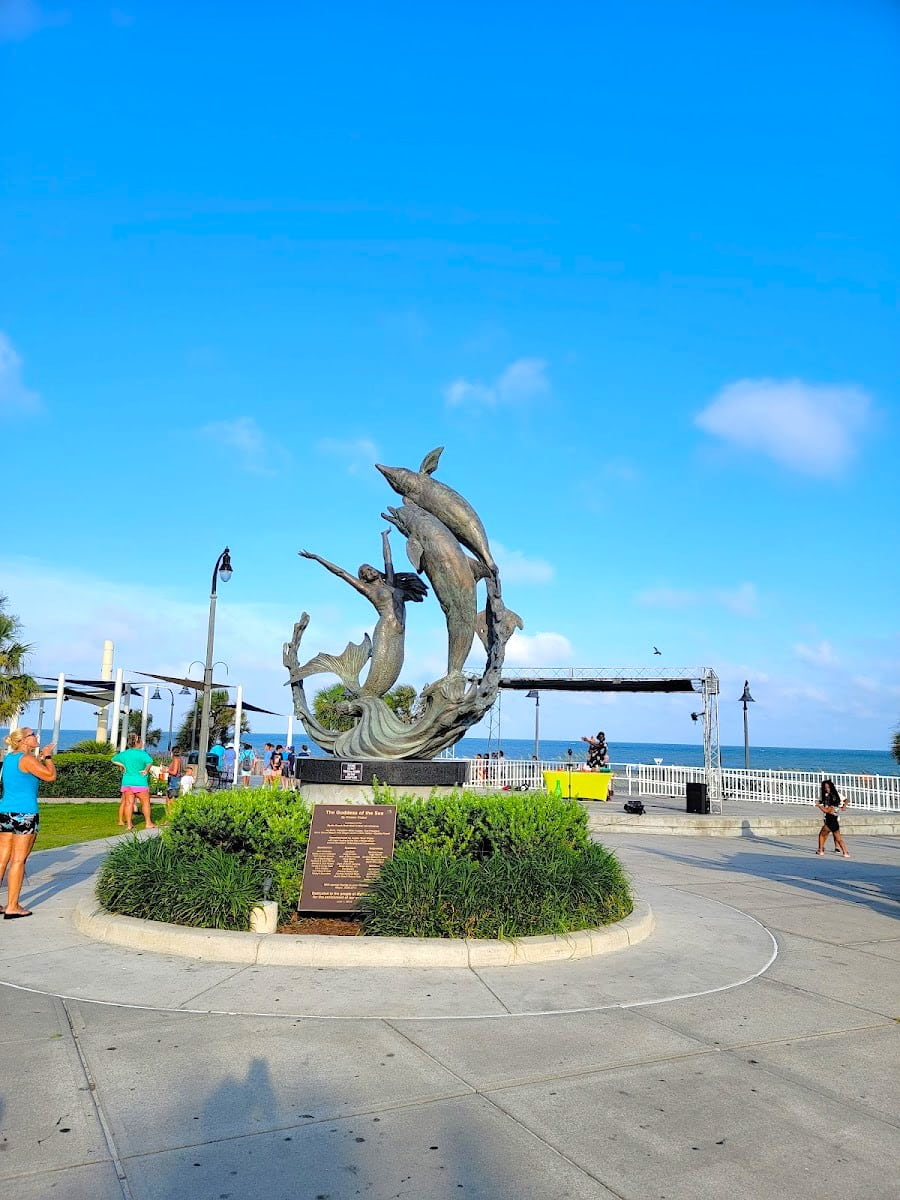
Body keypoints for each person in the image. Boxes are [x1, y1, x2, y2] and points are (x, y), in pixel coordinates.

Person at [0, 727, 56, 918]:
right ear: (24, 740)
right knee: (18, 860)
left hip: (5, 811)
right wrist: (48, 757)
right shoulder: (27, 759)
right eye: (32, 735)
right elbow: (50, 776)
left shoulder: (10, 758)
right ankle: (12, 906)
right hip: (25, 814)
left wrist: (38, 759)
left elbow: (24, 775)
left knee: (2, 859)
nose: (36, 737)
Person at [112, 734, 156, 831]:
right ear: (138, 743)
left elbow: (113, 760)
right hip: (140, 782)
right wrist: (146, 770)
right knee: (145, 803)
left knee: (128, 803)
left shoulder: (125, 753)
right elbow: (150, 762)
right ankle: (148, 823)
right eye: (141, 742)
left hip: (127, 782)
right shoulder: (142, 753)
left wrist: (123, 765)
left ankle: (129, 825)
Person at [816, 779, 849, 857]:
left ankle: (821, 850)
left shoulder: (834, 796)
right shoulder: (827, 797)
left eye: (828, 787)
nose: (826, 789)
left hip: (830, 820)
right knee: (836, 836)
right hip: (831, 819)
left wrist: (819, 806)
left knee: (823, 834)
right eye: (825, 787)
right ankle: (845, 852)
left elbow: (827, 811)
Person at [166, 746, 184, 811]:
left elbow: (174, 772)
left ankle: (170, 818)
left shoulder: (176, 759)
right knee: (170, 800)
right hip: (175, 780)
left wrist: (166, 770)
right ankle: (169, 818)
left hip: (174, 780)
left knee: (171, 801)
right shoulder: (179, 759)